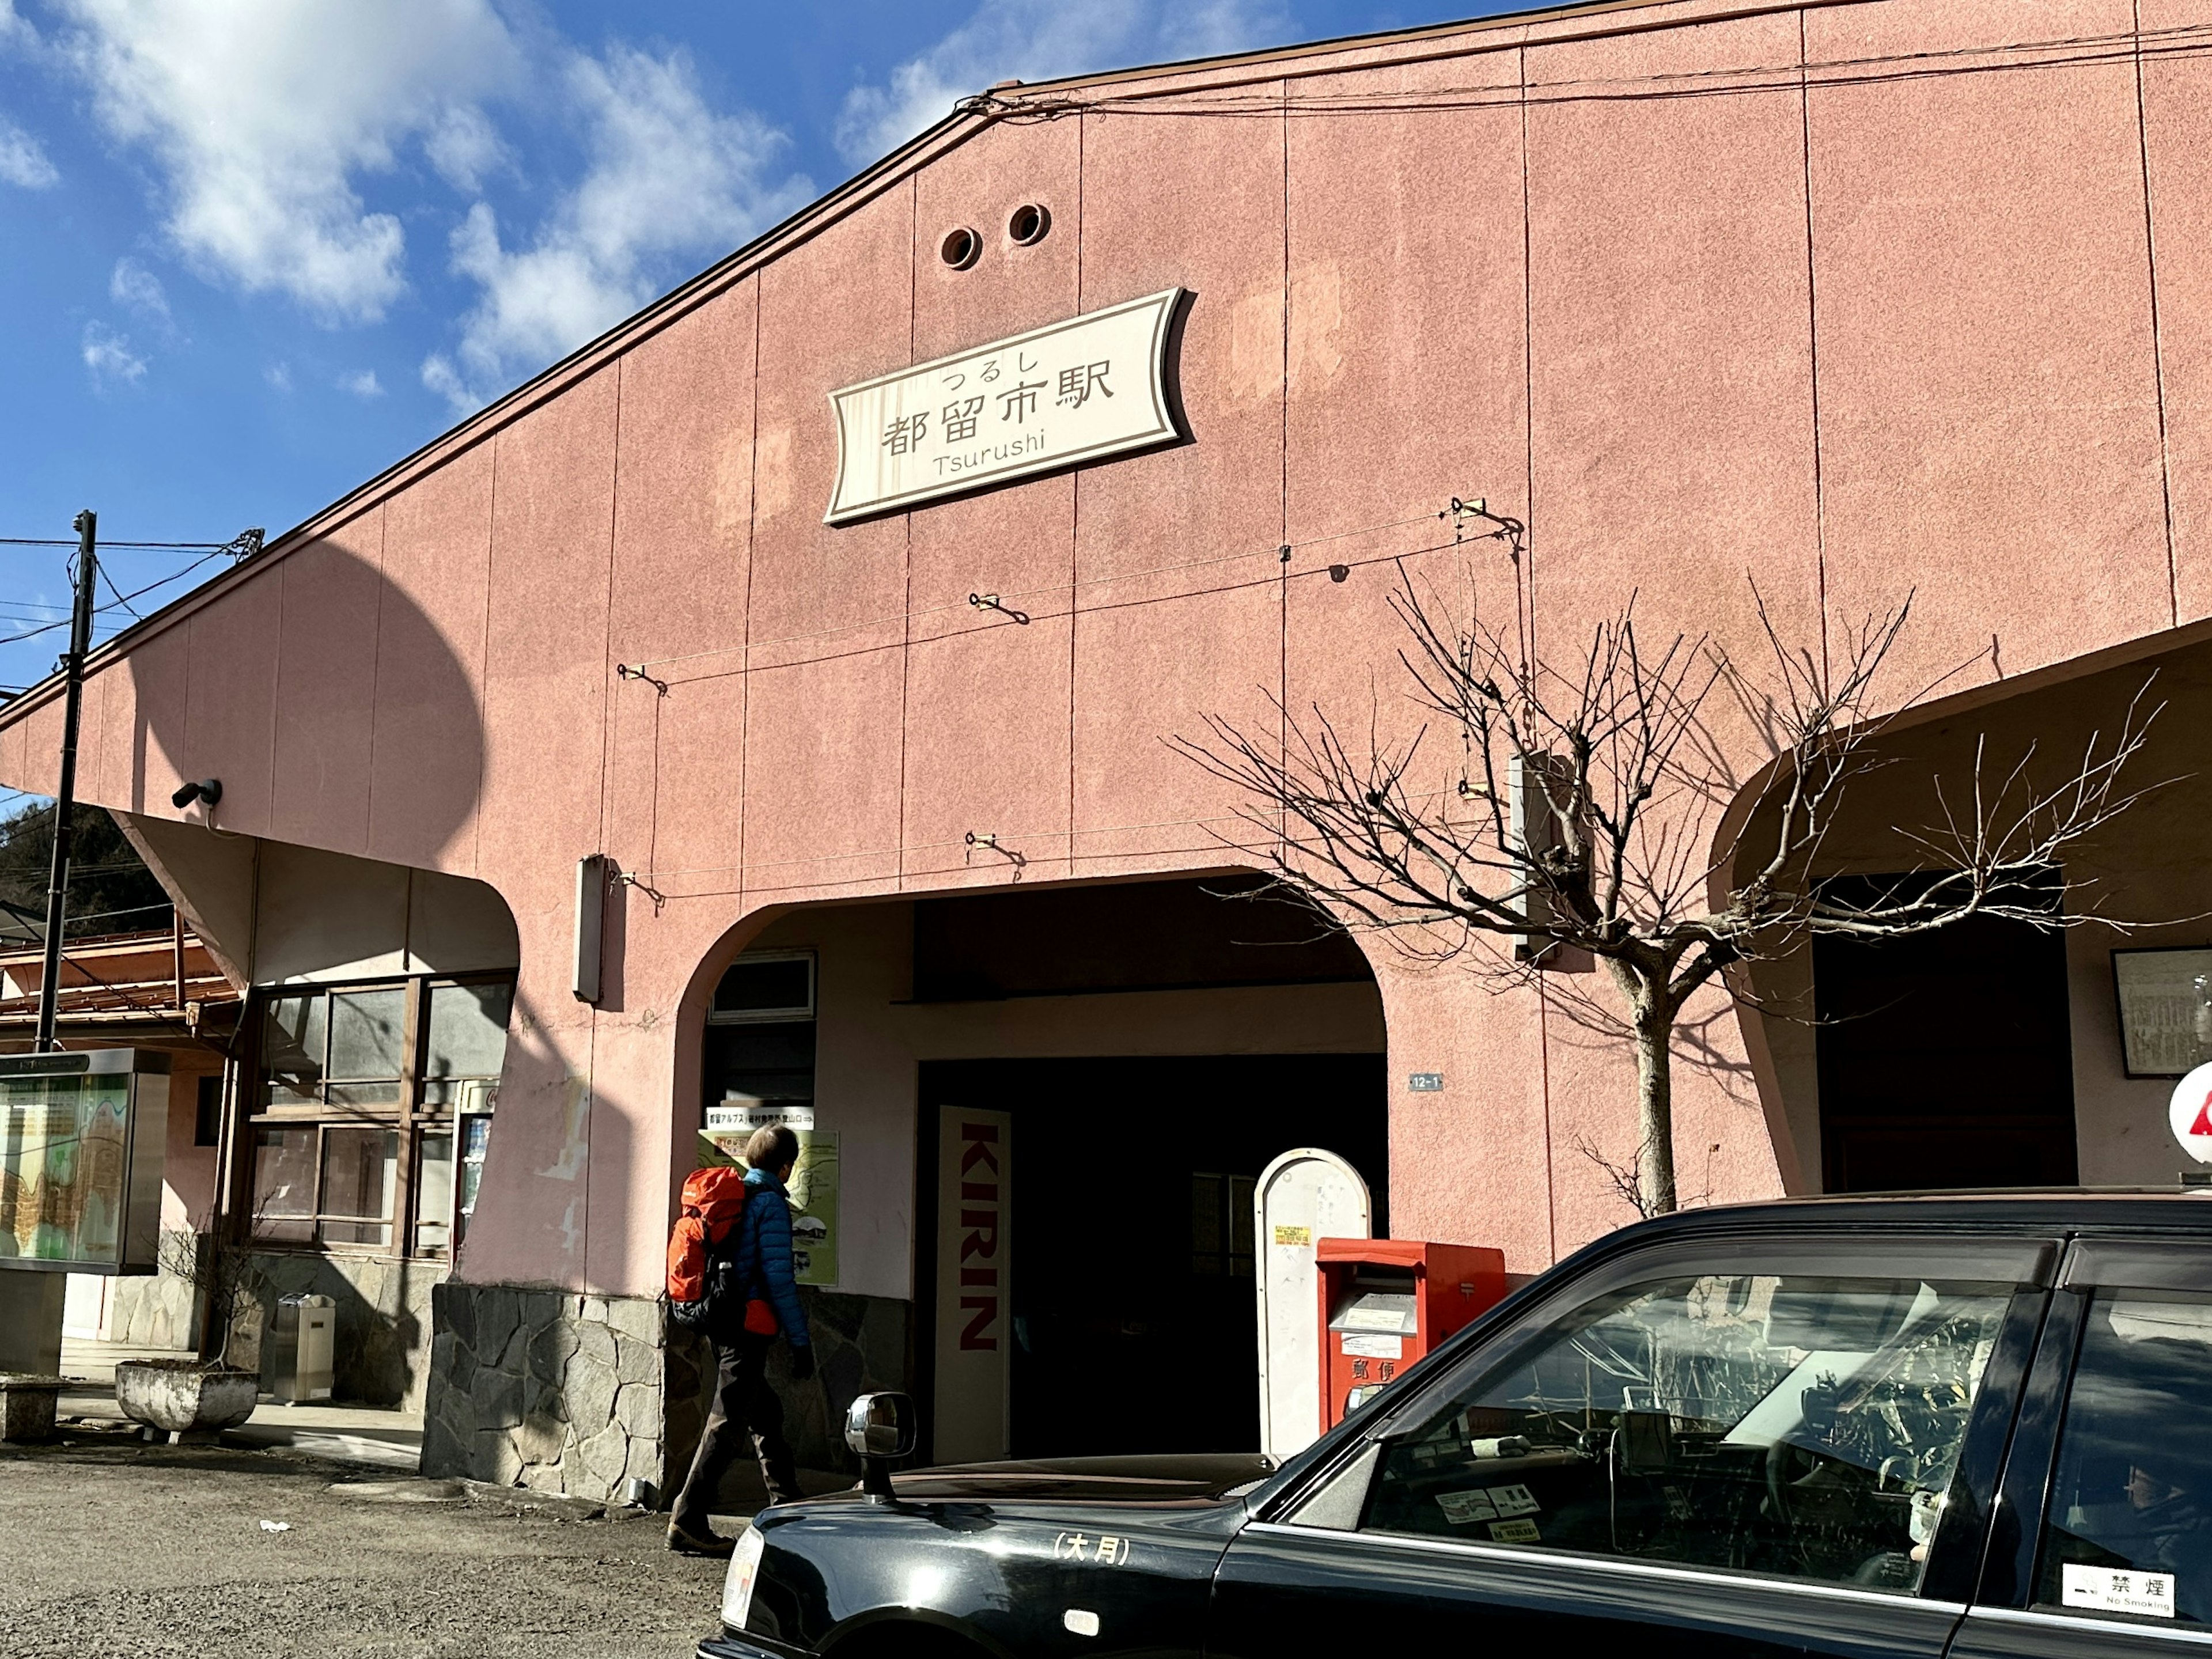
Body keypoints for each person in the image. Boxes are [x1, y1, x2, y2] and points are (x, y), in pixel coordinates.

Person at [667, 1123, 816, 1555]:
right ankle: (688, 1519)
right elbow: (779, 1280)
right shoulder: (769, 1204)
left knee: (764, 1412)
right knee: (728, 1422)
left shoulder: (736, 1196)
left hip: (721, 1319)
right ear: (785, 1166)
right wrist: (800, 1341)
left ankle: (788, 1508)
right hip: (748, 1326)